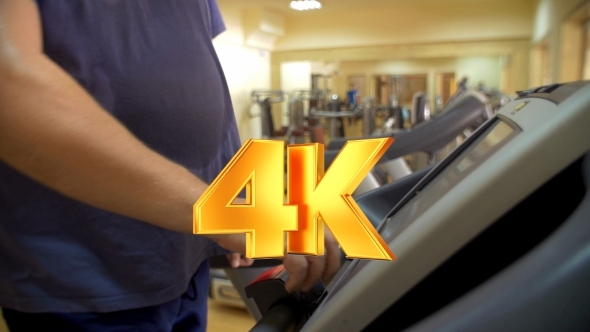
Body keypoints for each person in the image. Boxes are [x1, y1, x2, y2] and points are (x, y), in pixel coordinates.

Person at [0, 0, 341, 331]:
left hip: (184, 253)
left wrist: (236, 203)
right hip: (90, 269)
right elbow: (10, 88)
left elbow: (203, 77)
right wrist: (230, 219)